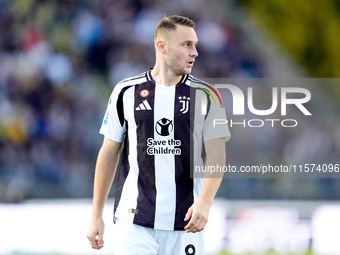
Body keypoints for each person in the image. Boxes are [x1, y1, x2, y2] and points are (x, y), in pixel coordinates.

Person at [87, 15, 231, 255]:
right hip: (134, 223)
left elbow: (217, 154)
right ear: (161, 46)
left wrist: (205, 202)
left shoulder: (207, 95)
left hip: (186, 224)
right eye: (186, 45)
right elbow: (109, 152)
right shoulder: (126, 91)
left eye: (195, 45)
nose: (194, 52)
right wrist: (96, 215)